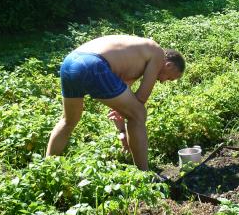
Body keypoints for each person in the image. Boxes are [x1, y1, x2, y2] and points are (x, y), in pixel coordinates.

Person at [46, 34, 185, 171]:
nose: (164, 81)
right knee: (139, 114)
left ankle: (46, 166)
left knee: (68, 121)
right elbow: (141, 99)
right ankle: (144, 174)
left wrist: (122, 131)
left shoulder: (135, 56)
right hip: (93, 64)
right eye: (171, 78)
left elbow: (123, 101)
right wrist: (129, 119)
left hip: (70, 62)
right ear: (169, 65)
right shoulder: (158, 54)